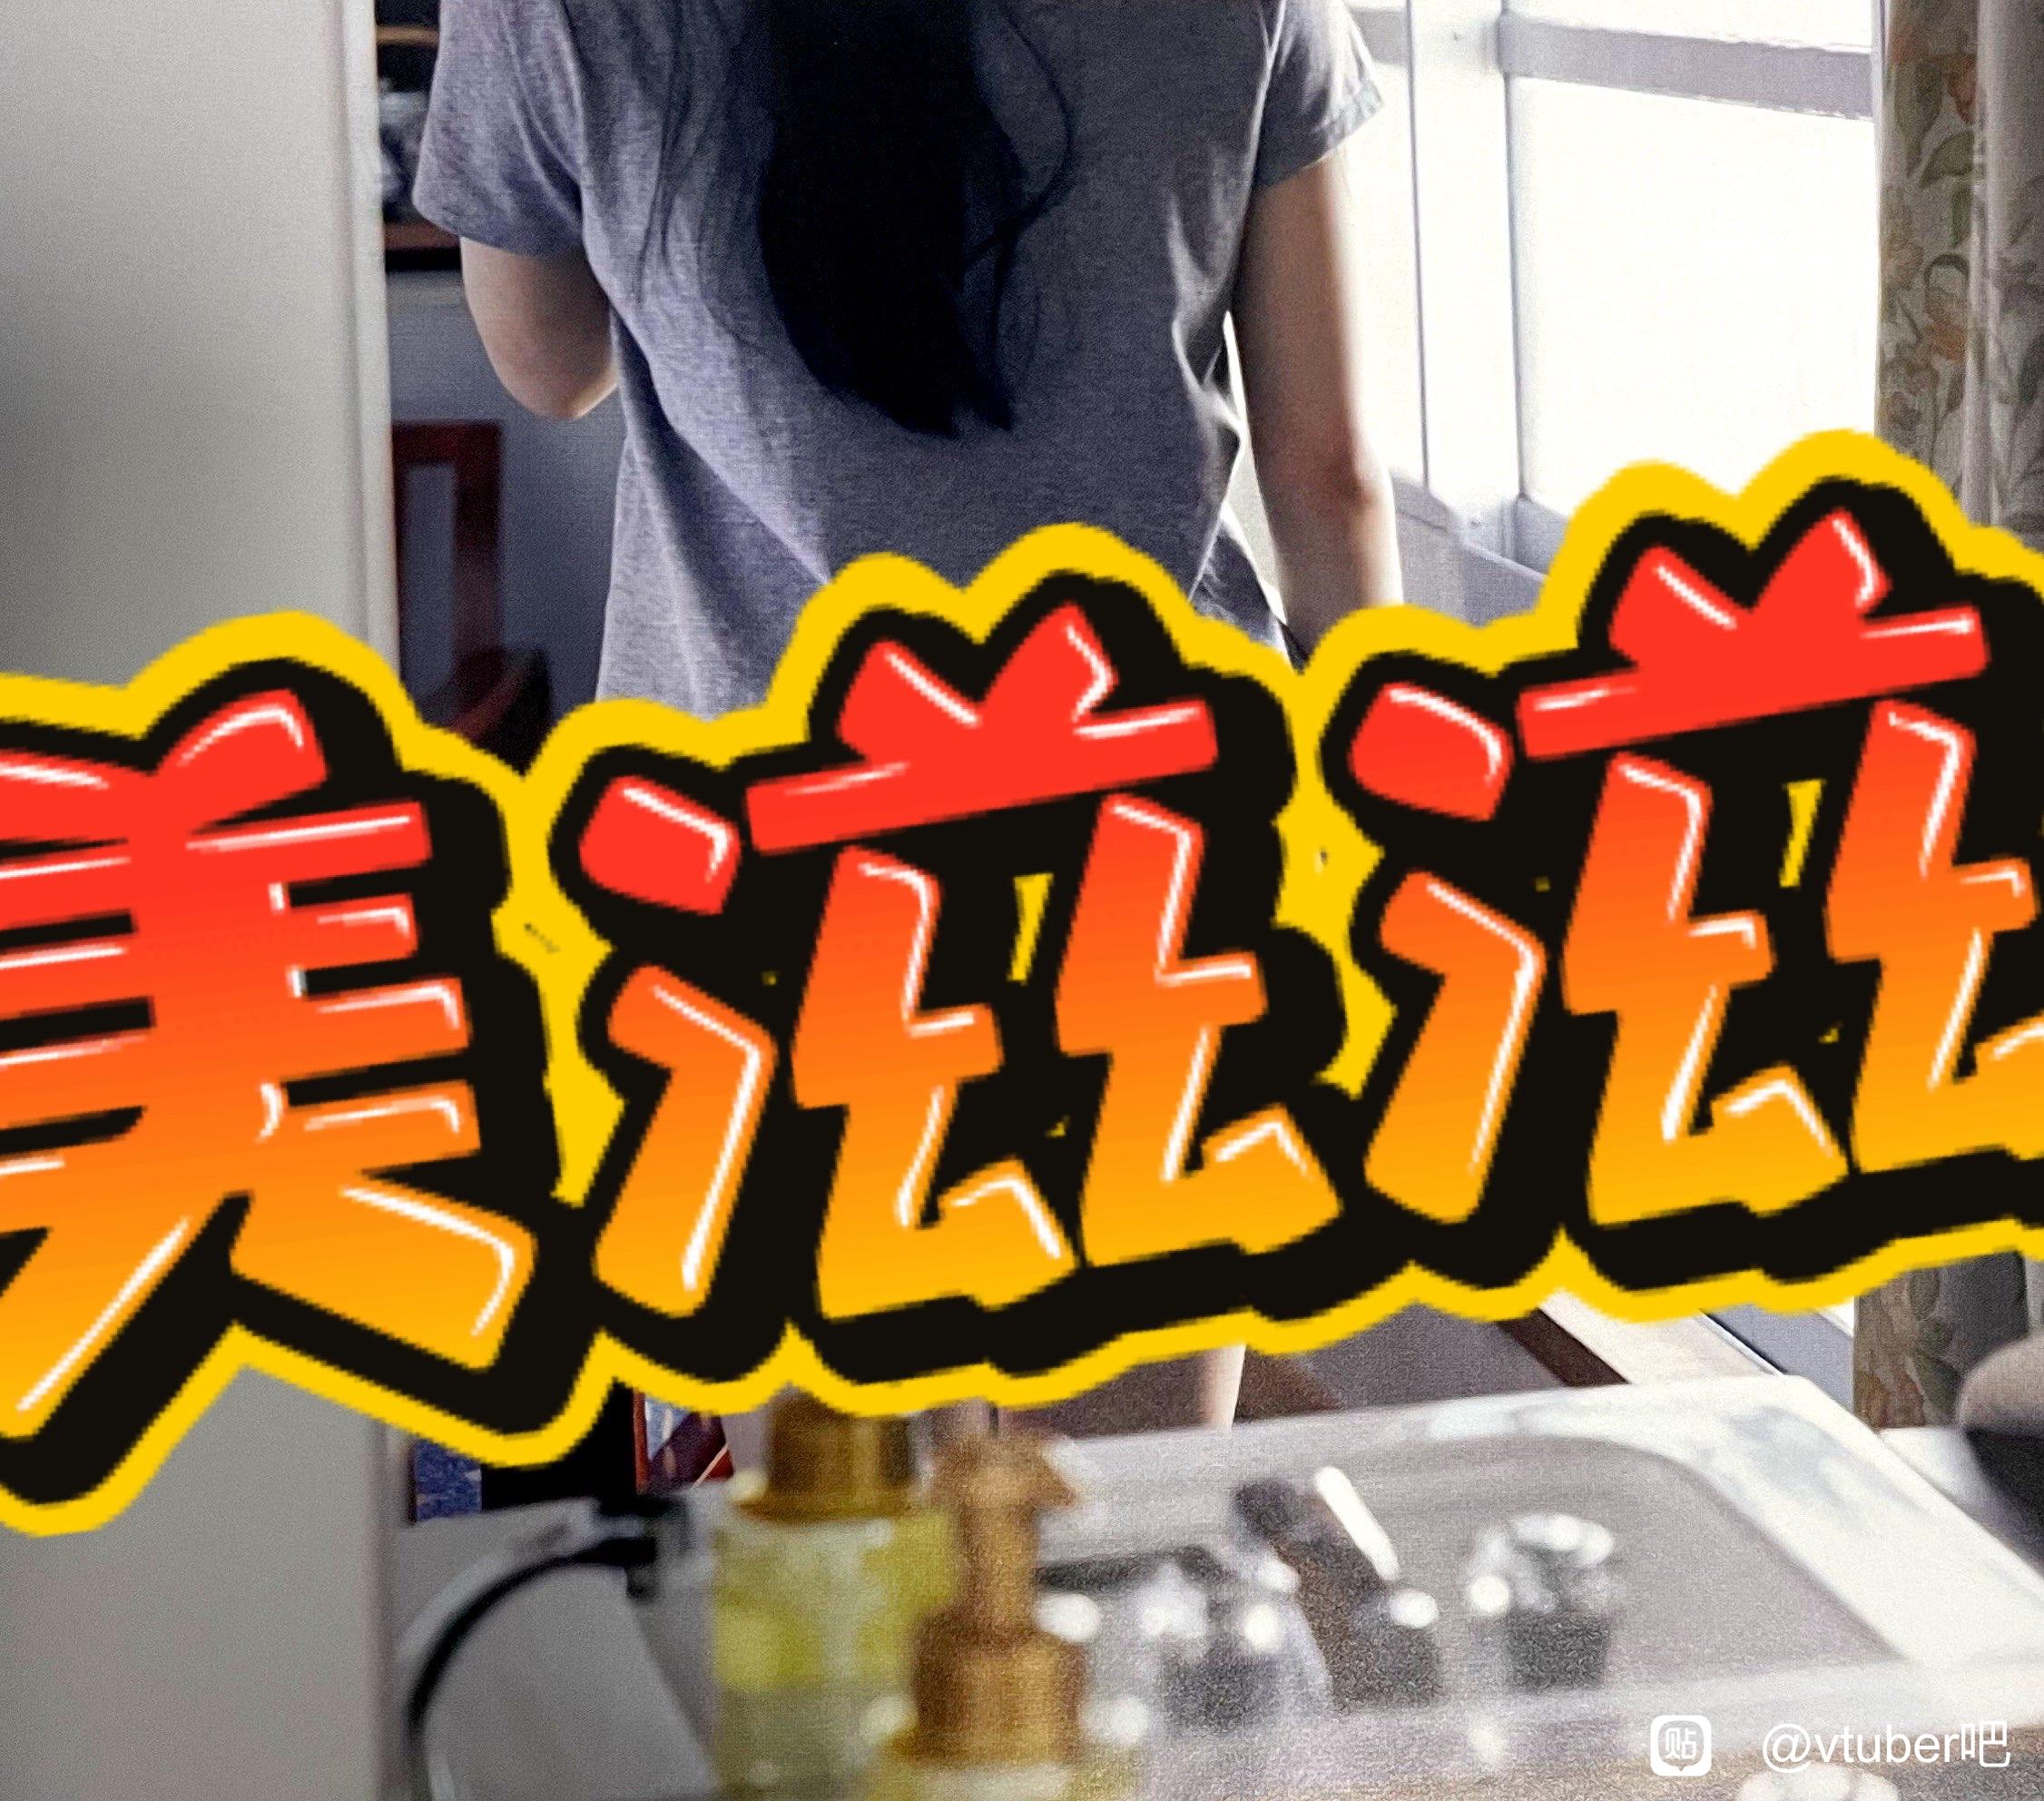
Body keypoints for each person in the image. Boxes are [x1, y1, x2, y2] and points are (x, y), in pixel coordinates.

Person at [415, 0, 1403, 1436]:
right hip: (1147, 846)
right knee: (1123, 1520)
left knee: (828, 1534)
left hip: (754, 860)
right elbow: (1328, 472)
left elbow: (547, 362)